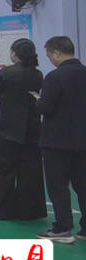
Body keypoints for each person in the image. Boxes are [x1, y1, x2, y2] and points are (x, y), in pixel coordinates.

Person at [0, 39, 46, 222]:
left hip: (8, 128)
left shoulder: (6, 73)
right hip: (32, 128)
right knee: (30, 171)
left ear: (15, 53)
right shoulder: (38, 74)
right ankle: (30, 211)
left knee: (3, 171)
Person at [35, 36, 86, 243]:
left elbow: (45, 107)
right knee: (83, 185)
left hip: (57, 141)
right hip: (82, 140)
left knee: (58, 186)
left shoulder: (55, 77)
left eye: (49, 55)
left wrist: (38, 100)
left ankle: (63, 227)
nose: (50, 59)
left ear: (57, 52)